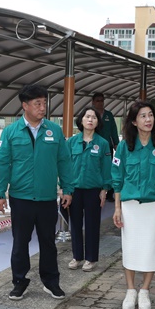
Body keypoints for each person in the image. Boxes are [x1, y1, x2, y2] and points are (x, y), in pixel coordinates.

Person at [0, 84, 75, 301]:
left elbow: (64, 161)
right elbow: (2, 163)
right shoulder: (11, 132)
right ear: (25, 105)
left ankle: (51, 282)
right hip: (21, 198)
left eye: (44, 102)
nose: (43, 107)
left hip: (47, 198)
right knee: (20, 242)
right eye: (37, 103)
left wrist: (68, 189)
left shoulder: (54, 131)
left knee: (48, 241)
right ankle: (19, 282)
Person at [112, 100, 155, 309]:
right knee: (130, 248)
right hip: (131, 206)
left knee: (152, 248)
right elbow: (117, 178)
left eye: (150, 115)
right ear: (134, 121)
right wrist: (118, 208)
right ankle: (130, 290)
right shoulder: (124, 146)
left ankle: (145, 290)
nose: (148, 120)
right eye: (143, 116)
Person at [66, 106, 112, 272]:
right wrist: (63, 188)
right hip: (74, 190)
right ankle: (77, 257)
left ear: (97, 122)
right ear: (81, 120)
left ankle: (91, 259)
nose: (90, 119)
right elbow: (64, 166)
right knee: (75, 224)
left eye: (94, 117)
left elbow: (107, 168)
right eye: (87, 116)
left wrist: (105, 189)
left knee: (92, 224)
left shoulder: (103, 144)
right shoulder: (71, 142)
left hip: (94, 190)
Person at [92, 92, 119, 201]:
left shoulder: (109, 115)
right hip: (94, 147)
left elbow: (114, 131)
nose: (100, 103)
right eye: (97, 100)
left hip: (107, 147)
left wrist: (116, 144)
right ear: (93, 102)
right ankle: (96, 190)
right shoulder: (91, 115)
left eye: (102, 100)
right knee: (95, 168)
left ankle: (109, 191)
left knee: (108, 168)